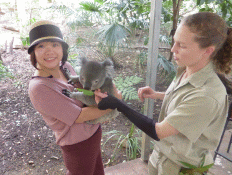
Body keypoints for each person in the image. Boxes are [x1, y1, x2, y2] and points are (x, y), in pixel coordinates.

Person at [94, 12, 232, 175]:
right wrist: (158, 94)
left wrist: (118, 105)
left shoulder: (208, 95)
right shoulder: (188, 68)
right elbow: (185, 97)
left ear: (208, 51)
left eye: (182, 45)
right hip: (161, 155)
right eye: (174, 41)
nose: (173, 49)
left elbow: (159, 131)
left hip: (181, 167)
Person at [27, 20, 121, 175]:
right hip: (78, 144)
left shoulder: (65, 67)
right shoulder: (39, 88)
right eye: (41, 46)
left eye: (55, 45)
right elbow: (80, 115)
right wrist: (114, 102)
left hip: (93, 132)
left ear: (62, 48)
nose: (50, 51)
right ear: (33, 52)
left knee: (97, 171)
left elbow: (87, 90)